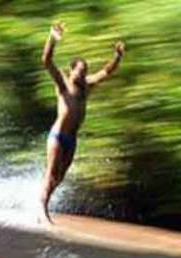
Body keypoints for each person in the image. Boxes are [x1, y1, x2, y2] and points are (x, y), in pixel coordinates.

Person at [40, 22, 124, 223]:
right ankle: (42, 210)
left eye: (85, 71)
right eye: (80, 70)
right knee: (51, 172)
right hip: (58, 136)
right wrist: (52, 38)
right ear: (72, 70)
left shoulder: (87, 86)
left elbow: (106, 72)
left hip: (71, 140)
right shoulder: (62, 84)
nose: (83, 74)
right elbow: (46, 60)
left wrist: (117, 56)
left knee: (59, 178)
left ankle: (44, 201)